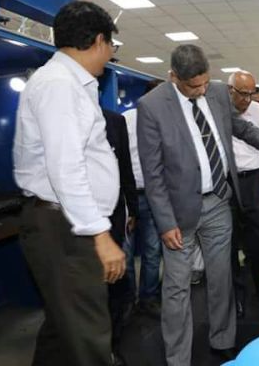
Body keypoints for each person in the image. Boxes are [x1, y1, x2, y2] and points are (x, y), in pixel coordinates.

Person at [136, 44, 259, 366]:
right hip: (179, 211)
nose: (200, 91)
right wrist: (166, 222)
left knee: (222, 276)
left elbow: (242, 128)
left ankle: (223, 338)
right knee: (177, 287)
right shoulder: (152, 106)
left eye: (204, 83)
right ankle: (177, 357)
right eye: (192, 86)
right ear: (173, 77)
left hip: (218, 202)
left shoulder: (218, 93)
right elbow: (151, 171)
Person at [13, 0, 124, 366]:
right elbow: (66, 166)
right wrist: (100, 235)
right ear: (97, 40)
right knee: (89, 335)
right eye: (111, 46)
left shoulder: (71, 83)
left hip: (65, 223)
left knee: (64, 332)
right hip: (64, 228)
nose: (110, 56)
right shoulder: (59, 85)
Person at [227, 71, 259, 318]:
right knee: (230, 244)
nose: (247, 99)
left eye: (251, 93)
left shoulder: (258, 111)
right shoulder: (219, 110)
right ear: (230, 90)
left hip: (255, 180)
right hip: (228, 182)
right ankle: (237, 295)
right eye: (242, 93)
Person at [122, 79, 166, 318]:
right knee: (126, 253)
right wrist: (127, 203)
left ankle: (148, 298)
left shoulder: (166, 124)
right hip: (129, 195)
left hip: (155, 195)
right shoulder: (126, 120)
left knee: (152, 250)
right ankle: (127, 299)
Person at [102, 109, 138, 366]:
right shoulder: (64, 116)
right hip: (74, 223)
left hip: (113, 216)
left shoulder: (115, 121)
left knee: (118, 287)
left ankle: (112, 345)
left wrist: (133, 209)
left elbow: (125, 168)